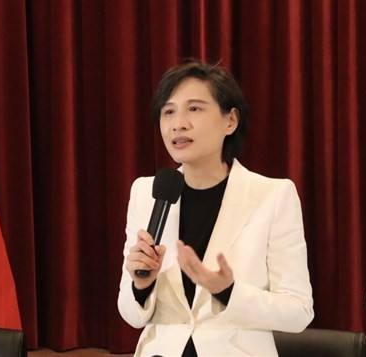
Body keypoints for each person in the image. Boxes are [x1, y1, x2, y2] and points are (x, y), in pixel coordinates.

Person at [117, 61, 314, 356]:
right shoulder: (146, 193)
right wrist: (141, 284)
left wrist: (228, 292)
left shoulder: (273, 196)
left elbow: (298, 312)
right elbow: (131, 315)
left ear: (230, 121)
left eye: (194, 109)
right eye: (168, 112)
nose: (178, 123)